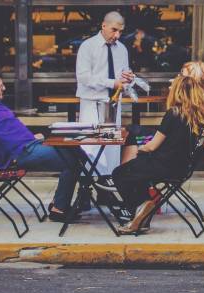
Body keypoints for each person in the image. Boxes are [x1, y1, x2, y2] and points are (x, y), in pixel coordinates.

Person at [0, 71, 83, 222]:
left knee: (75, 150)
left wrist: (32, 137)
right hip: (22, 153)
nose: (4, 89)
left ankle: (59, 203)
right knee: (74, 159)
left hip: (31, 144)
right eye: (0, 87)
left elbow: (8, 130)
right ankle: (59, 209)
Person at [110, 74, 204, 234]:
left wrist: (139, 149)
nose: (170, 88)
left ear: (179, 91)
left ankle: (140, 207)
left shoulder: (173, 113)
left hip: (163, 166)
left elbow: (152, 146)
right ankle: (142, 217)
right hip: (181, 168)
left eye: (173, 87)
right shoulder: (199, 116)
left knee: (119, 173)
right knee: (137, 173)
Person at [75, 11, 135, 178]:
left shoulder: (122, 49)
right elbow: (84, 77)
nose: (117, 35)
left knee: (111, 147)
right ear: (104, 26)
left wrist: (129, 78)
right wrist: (112, 82)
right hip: (91, 105)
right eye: (114, 30)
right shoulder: (88, 46)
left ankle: (106, 189)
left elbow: (123, 76)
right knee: (89, 147)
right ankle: (85, 191)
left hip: (113, 106)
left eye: (120, 32)